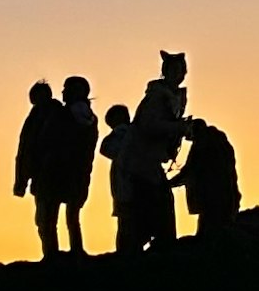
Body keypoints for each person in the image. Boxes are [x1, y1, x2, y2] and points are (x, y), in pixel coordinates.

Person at [100, 100, 175, 254]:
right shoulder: (139, 134)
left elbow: (107, 149)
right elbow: (163, 155)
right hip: (147, 185)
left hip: (132, 189)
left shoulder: (125, 136)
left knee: (130, 232)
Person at [37, 71, 97, 255]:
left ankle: (52, 254)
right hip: (78, 173)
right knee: (71, 217)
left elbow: (51, 141)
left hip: (59, 172)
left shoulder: (62, 115)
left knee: (50, 218)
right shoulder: (89, 117)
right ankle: (75, 251)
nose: (62, 93)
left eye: (66, 89)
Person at [13, 82, 64, 257]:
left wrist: (21, 181)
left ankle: (51, 255)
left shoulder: (46, 116)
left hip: (48, 174)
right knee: (47, 218)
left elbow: (27, 150)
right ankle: (51, 253)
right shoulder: (52, 114)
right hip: (48, 174)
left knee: (46, 218)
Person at [178, 115, 241, 236]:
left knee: (209, 231)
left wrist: (167, 184)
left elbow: (190, 170)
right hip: (226, 197)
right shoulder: (220, 141)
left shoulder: (202, 142)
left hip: (211, 198)